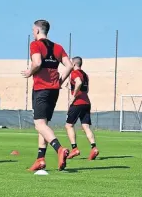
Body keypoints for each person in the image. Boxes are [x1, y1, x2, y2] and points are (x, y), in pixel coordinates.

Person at [22, 20, 73, 171]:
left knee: (39, 124)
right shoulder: (58, 47)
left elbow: (37, 63)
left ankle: (59, 149)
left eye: (33, 30)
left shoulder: (35, 44)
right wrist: (59, 81)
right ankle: (40, 159)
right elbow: (69, 65)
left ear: (37, 30)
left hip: (41, 89)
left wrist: (29, 72)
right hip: (54, 90)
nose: (32, 32)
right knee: (43, 125)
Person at [65, 57, 99, 160]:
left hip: (77, 103)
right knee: (86, 127)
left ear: (74, 64)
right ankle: (94, 148)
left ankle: (74, 148)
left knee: (69, 125)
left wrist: (73, 96)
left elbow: (78, 82)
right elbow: (86, 89)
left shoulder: (74, 73)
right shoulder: (85, 75)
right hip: (86, 102)